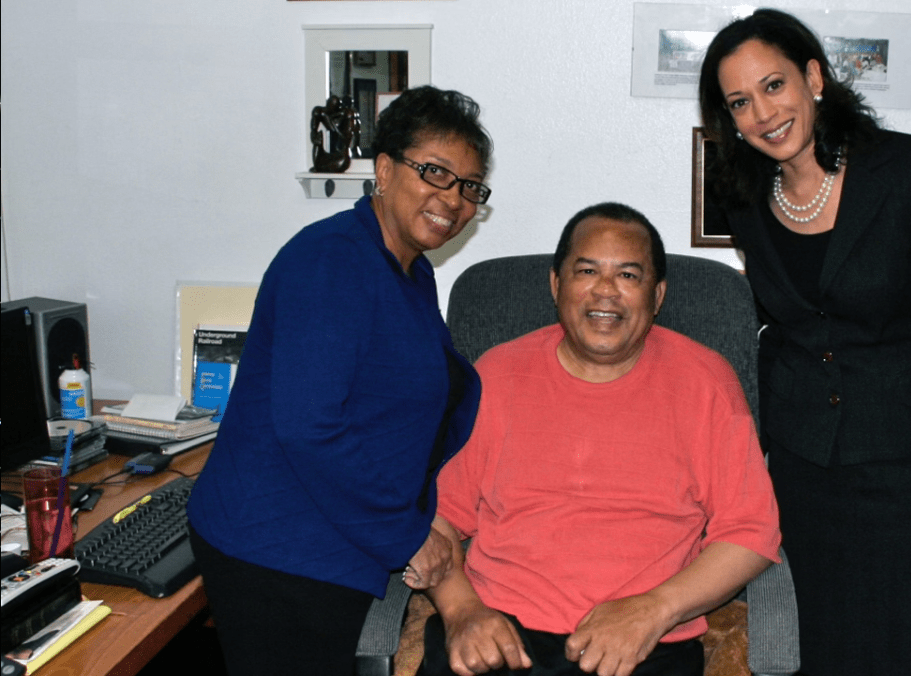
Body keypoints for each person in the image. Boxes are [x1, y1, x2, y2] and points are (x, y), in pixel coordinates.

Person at [698, 9, 911, 676]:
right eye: (739, 101)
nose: (762, 113)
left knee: (908, 652)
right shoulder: (746, 196)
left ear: (814, 77)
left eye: (773, 86)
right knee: (821, 650)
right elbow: (788, 327)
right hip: (805, 474)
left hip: (906, 472)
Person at [187, 85, 493, 675]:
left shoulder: (409, 270)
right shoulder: (331, 261)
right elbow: (311, 427)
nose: (452, 199)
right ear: (383, 169)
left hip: (335, 533)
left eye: (469, 186)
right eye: (434, 172)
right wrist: (406, 532)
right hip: (278, 549)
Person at [421, 203, 782, 676]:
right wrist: (461, 610)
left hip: (645, 640)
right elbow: (437, 520)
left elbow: (751, 533)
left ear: (657, 296)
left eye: (629, 276)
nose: (605, 291)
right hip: (501, 632)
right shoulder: (496, 374)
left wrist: (653, 611)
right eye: (587, 270)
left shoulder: (706, 381)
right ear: (556, 285)